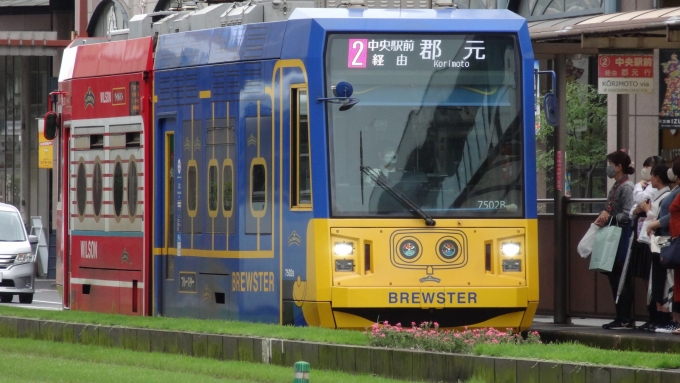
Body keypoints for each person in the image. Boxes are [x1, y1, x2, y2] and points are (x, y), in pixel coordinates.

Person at [597, 150, 635, 330]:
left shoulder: (626, 187)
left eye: (611, 164)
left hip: (621, 237)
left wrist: (611, 216)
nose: (609, 168)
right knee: (614, 277)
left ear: (619, 167)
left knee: (621, 278)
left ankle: (625, 318)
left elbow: (628, 213)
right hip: (613, 237)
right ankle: (620, 316)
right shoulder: (617, 186)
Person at [636, 163, 672, 332]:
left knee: (661, 279)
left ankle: (663, 318)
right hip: (655, 239)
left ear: (657, 177)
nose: (650, 178)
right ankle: (656, 317)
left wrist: (651, 224)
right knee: (655, 279)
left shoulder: (667, 195)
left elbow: (661, 216)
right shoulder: (660, 194)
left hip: (662, 239)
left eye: (652, 175)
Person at [646, 156, 680, 333]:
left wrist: (654, 223)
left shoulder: (673, 193)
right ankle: (670, 319)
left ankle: (672, 319)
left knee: (670, 280)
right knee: (667, 280)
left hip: (672, 238)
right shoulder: (675, 191)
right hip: (669, 238)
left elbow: (671, 214)